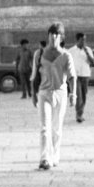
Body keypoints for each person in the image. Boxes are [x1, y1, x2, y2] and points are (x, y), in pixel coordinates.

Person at [31, 22, 77, 170]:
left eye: (57, 34)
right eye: (51, 34)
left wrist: (73, 94)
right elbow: (34, 76)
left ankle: (55, 155)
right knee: (45, 127)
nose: (54, 37)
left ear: (61, 37)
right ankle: (44, 158)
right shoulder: (39, 54)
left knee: (56, 128)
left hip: (60, 93)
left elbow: (72, 76)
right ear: (48, 36)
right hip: (44, 93)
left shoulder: (65, 55)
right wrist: (33, 93)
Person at [69, 33, 94, 123]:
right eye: (82, 40)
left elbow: (92, 62)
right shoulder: (71, 51)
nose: (84, 42)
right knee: (78, 96)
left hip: (85, 75)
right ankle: (78, 115)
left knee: (83, 96)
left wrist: (87, 53)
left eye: (85, 40)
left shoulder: (88, 50)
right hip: (76, 76)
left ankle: (81, 113)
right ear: (77, 40)